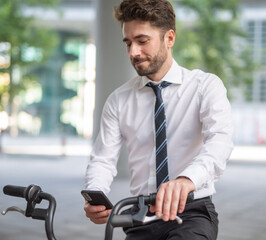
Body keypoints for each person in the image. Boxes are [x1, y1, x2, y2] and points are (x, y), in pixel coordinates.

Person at [84, 0, 234, 239]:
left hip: (192, 212)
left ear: (170, 38)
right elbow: (103, 159)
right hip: (141, 214)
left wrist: (186, 180)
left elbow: (220, 142)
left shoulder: (205, 86)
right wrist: (95, 193)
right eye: (128, 43)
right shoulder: (118, 100)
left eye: (142, 41)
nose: (134, 52)